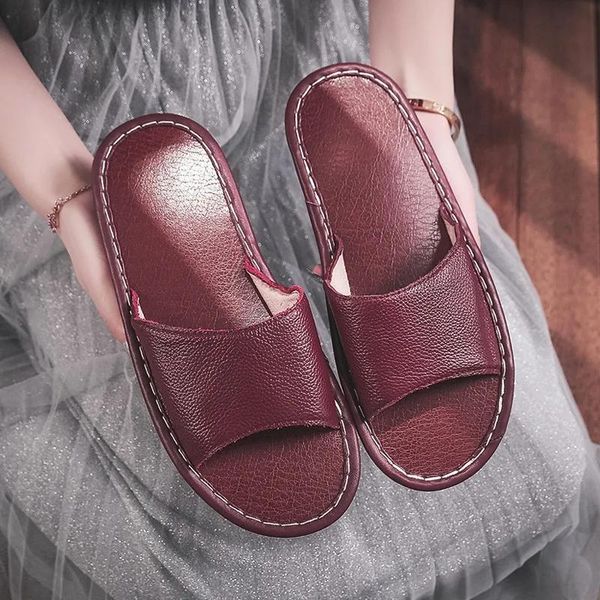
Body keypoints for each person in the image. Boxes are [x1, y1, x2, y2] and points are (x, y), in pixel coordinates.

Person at [0, 1, 598, 598]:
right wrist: (71, 198)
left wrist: (422, 103)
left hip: (308, 51)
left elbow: (411, 91)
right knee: (232, 571)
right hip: (62, 110)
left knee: (534, 470)